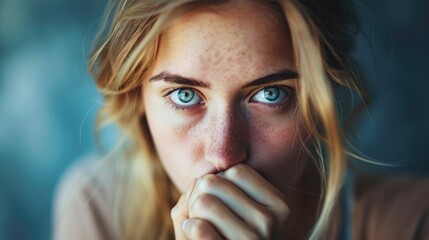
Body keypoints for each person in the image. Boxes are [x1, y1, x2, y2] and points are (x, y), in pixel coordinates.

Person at [53, 0, 429, 239]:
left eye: (271, 94)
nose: (224, 154)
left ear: (321, 100)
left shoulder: (413, 222)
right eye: (185, 96)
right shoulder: (97, 207)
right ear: (138, 101)